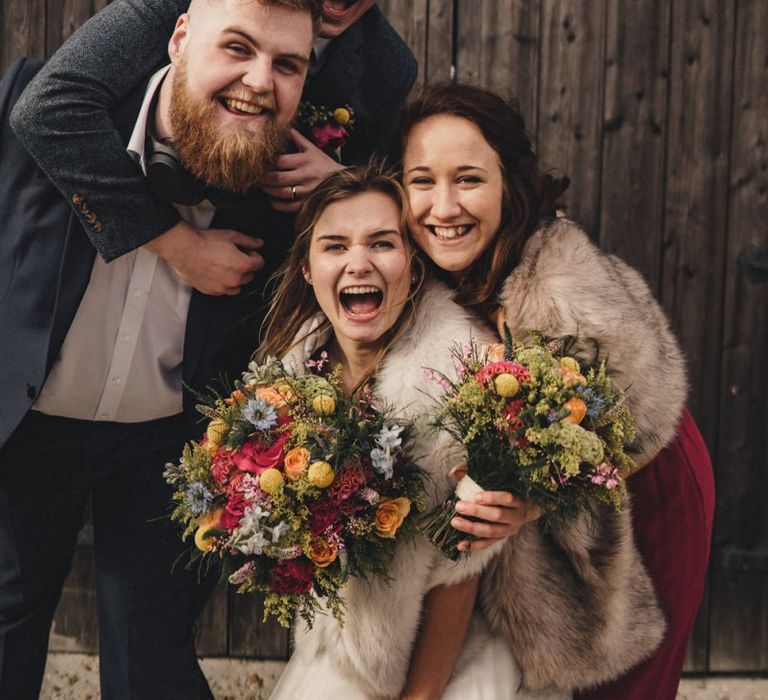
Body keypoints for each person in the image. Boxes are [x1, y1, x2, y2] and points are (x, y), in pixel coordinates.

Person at [0, 1, 320, 697]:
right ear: (179, 37)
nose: (260, 81)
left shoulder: (285, 186)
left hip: (165, 454)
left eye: (287, 65)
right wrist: (174, 243)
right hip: (22, 430)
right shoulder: (37, 107)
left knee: (151, 660)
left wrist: (339, 196)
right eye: (237, 47)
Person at [397, 83, 716, 698]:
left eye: (468, 179)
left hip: (648, 479)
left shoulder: (557, 284)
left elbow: (644, 414)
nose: (442, 205)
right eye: (422, 180)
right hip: (560, 494)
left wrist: (534, 503)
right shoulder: (432, 267)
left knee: (631, 682)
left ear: (508, 185)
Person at [256, 164, 565, 700]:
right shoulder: (290, 372)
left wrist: (419, 696)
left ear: (412, 267)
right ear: (307, 268)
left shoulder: (460, 374)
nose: (359, 263)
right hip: (347, 642)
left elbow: (461, 570)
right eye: (334, 246)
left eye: (382, 243)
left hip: (455, 647)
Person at [10, 0, 417, 276]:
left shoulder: (390, 66)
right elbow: (51, 106)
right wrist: (179, 246)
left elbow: (385, 185)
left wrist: (340, 180)